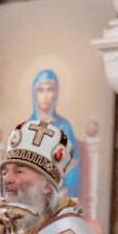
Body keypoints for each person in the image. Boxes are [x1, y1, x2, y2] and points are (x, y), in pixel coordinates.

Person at [29, 69, 80, 199]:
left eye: (50, 89)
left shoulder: (64, 127)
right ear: (34, 94)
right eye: (41, 90)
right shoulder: (27, 127)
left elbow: (72, 165)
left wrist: (67, 190)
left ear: (55, 93)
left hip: (57, 191)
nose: (45, 96)